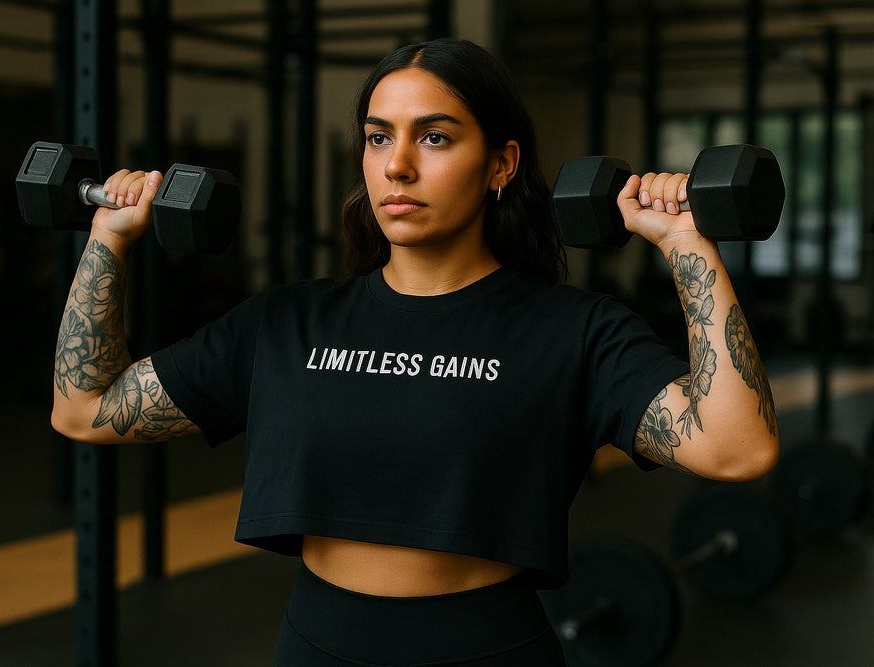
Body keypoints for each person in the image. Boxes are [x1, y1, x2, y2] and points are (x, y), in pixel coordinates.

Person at [50, 38, 779, 665]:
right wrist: (108, 239)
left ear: (501, 164)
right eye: (377, 136)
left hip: (486, 649)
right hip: (316, 647)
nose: (396, 165)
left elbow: (736, 449)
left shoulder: (573, 331)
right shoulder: (285, 323)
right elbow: (85, 409)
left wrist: (687, 246)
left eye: (434, 137)